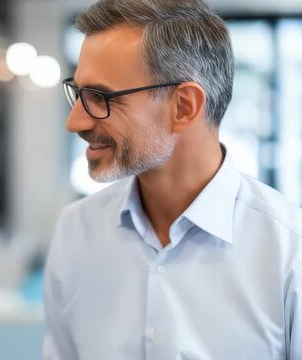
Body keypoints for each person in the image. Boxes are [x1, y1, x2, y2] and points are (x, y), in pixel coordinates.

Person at [44, 0, 302, 359]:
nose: (75, 122)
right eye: (78, 92)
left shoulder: (291, 251)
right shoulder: (76, 232)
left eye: (100, 97)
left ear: (184, 106)